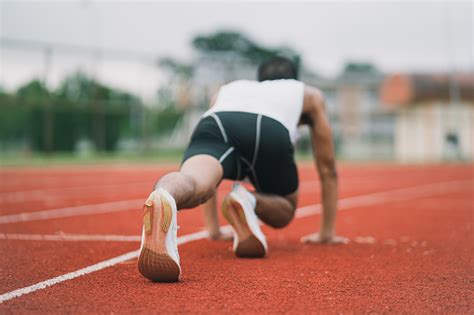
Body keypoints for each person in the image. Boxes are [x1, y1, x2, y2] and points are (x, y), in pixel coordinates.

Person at [137, 56, 347, 282]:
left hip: (216, 122)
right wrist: (326, 233)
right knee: (286, 207)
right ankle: (248, 199)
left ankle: (165, 195)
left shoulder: (227, 90)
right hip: (267, 128)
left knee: (194, 181)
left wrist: (214, 230)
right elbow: (327, 169)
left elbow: (214, 184)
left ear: (260, 79)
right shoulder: (308, 94)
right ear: (293, 79)